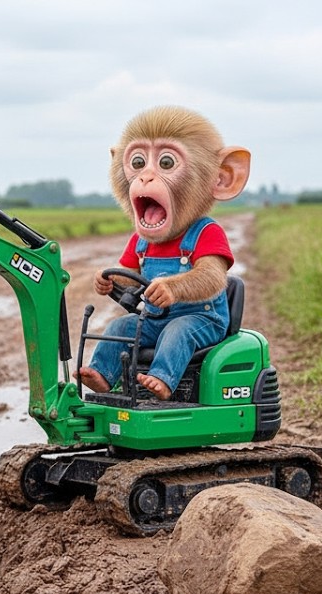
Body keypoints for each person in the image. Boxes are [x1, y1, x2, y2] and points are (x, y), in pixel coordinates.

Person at [77, 106, 251, 401]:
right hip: (155, 319)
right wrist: (110, 281)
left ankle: (162, 380)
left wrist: (174, 287)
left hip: (202, 319)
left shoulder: (205, 232)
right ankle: (103, 376)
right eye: (137, 161)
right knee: (120, 326)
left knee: (179, 331)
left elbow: (213, 278)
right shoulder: (140, 241)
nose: (146, 177)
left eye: (167, 162)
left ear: (221, 178)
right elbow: (129, 275)